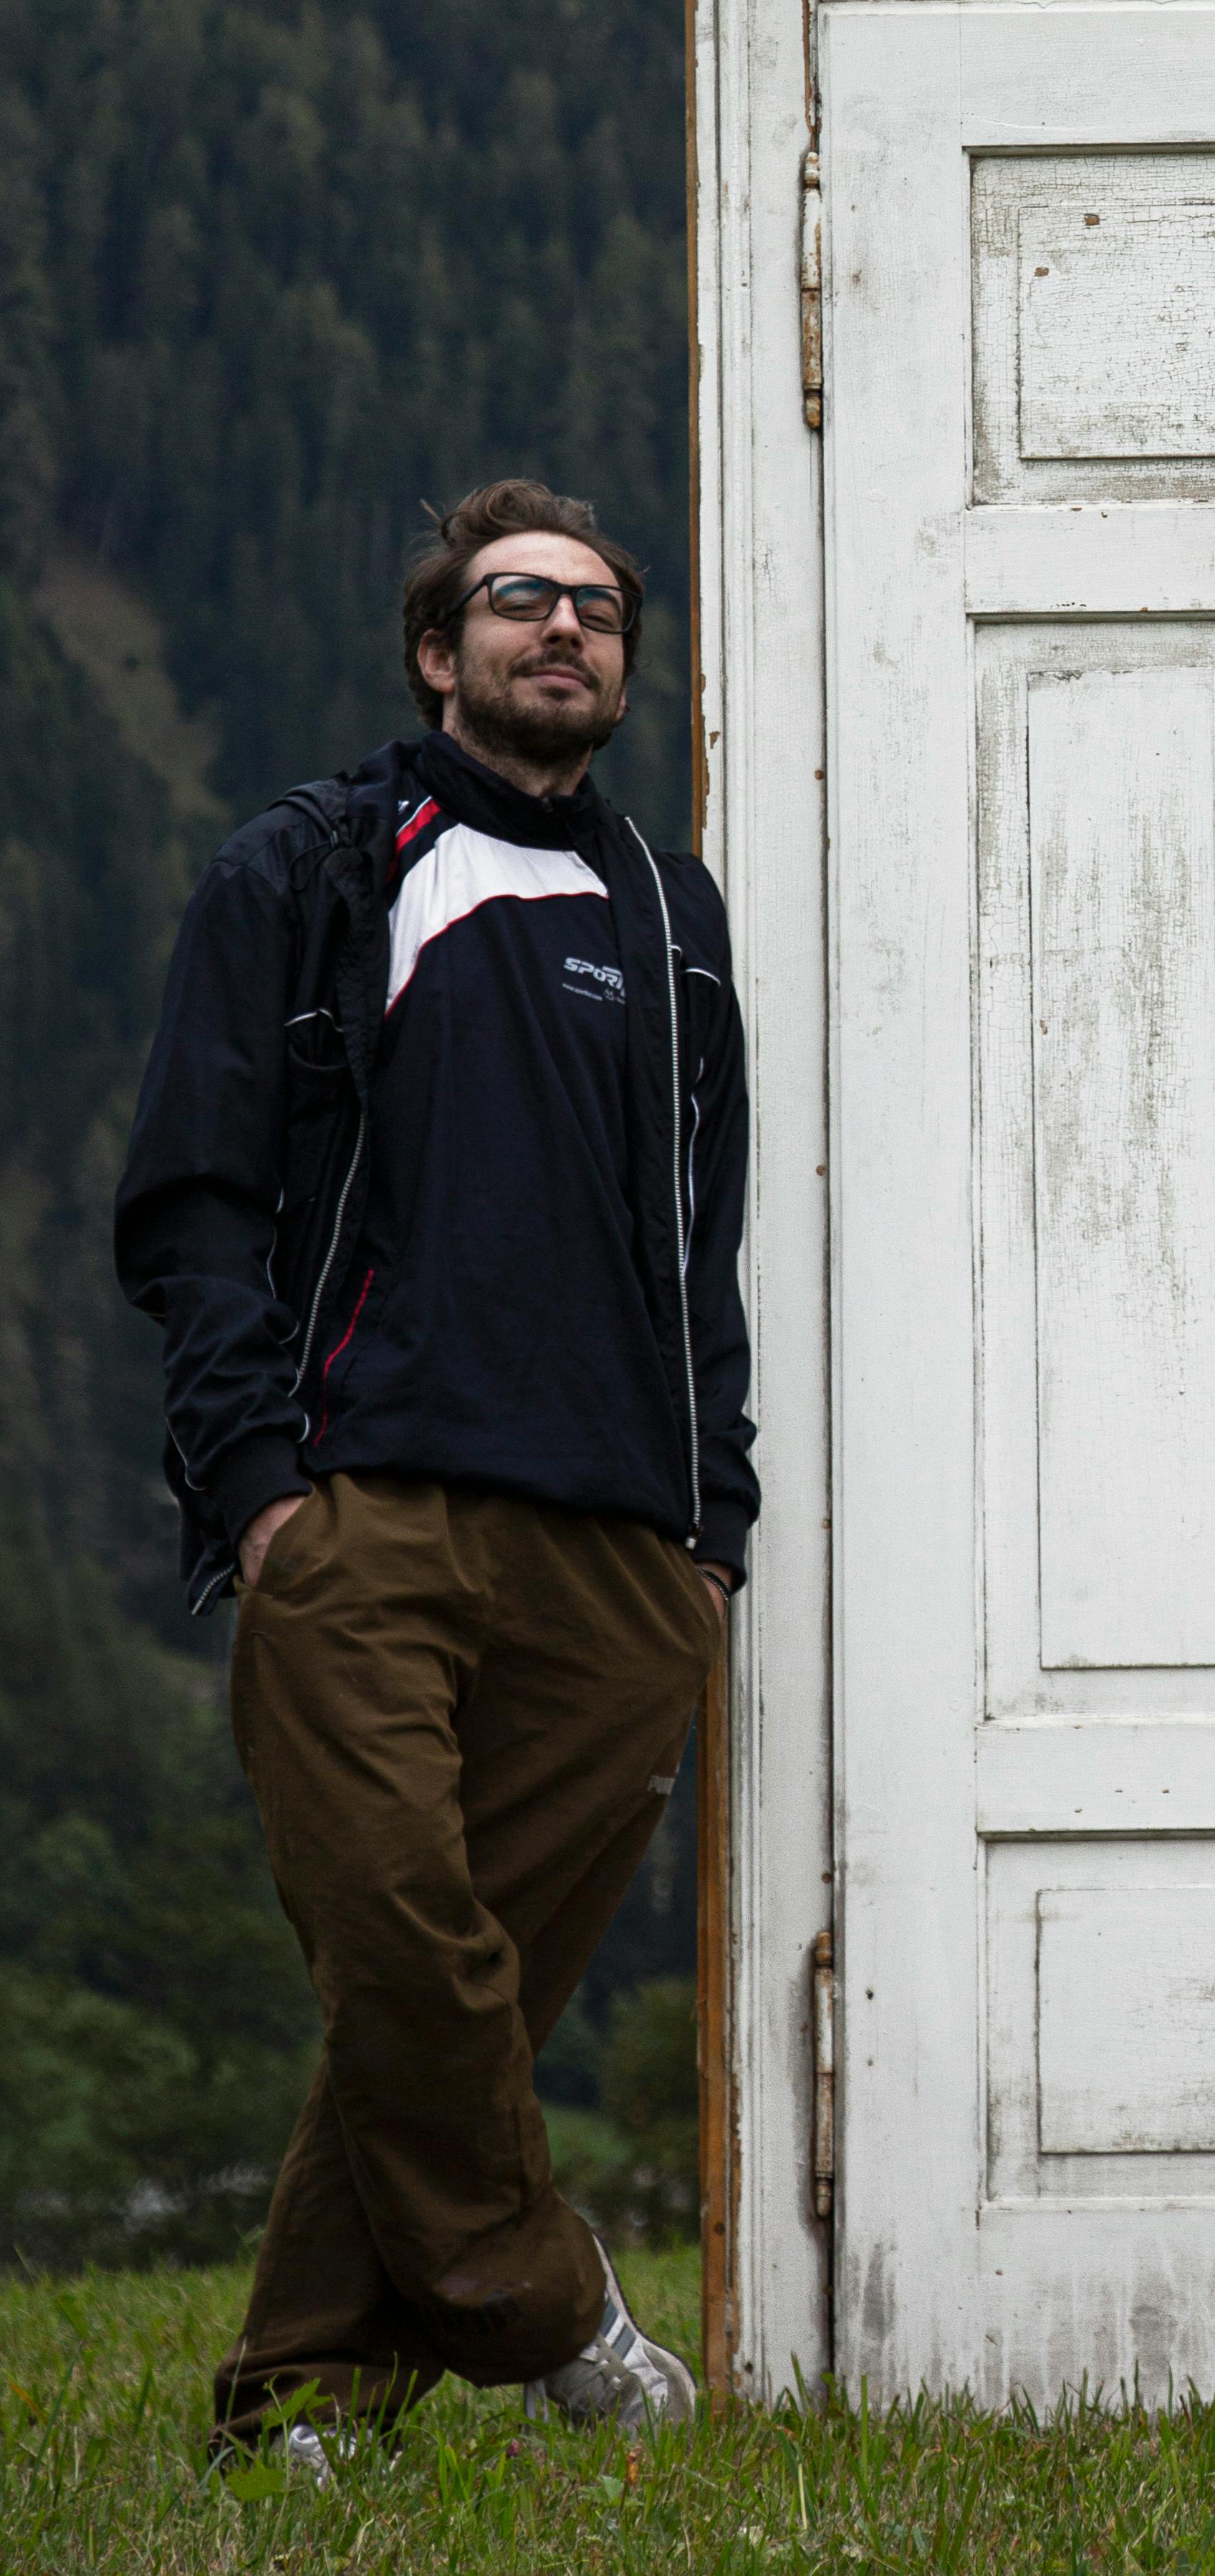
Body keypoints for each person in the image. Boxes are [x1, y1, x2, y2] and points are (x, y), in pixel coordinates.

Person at [116, 476, 759, 2479]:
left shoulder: (672, 910)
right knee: (405, 1935)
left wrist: (708, 1522)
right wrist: (257, 1486)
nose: (561, 632)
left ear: (624, 666)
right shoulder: (313, 867)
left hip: (620, 1555)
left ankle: (297, 2399)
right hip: (358, 1515)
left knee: (455, 1996)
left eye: (595, 611)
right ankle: (552, 2310)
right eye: (515, 602)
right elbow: (193, 1204)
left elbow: (698, 1234)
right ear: (437, 649)